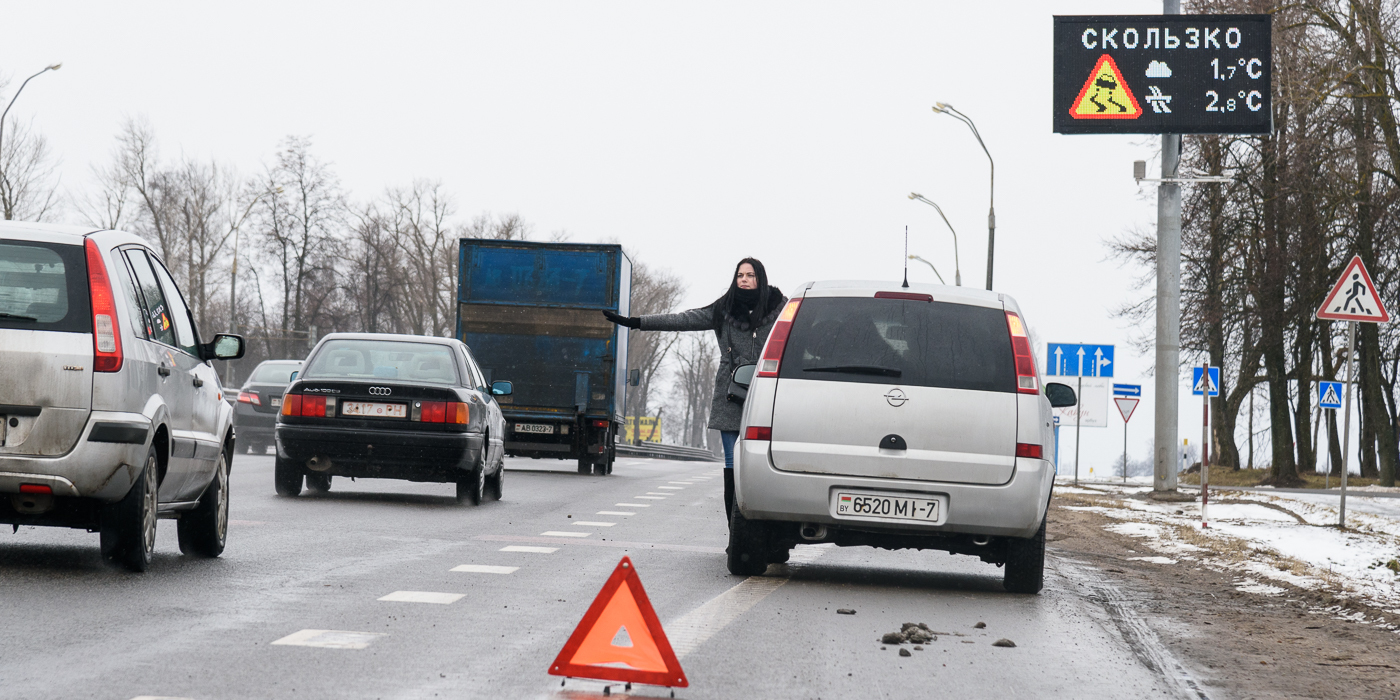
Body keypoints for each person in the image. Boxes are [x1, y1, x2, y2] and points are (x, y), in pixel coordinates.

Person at [603, 258, 786, 517]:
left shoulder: (780, 308)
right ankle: (735, 531)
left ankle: (762, 529)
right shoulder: (723, 309)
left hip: (767, 394)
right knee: (732, 463)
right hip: (730, 395)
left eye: (750, 275)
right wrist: (637, 322)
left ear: (761, 278)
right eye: (740, 275)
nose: (744, 280)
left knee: (760, 465)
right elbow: (683, 320)